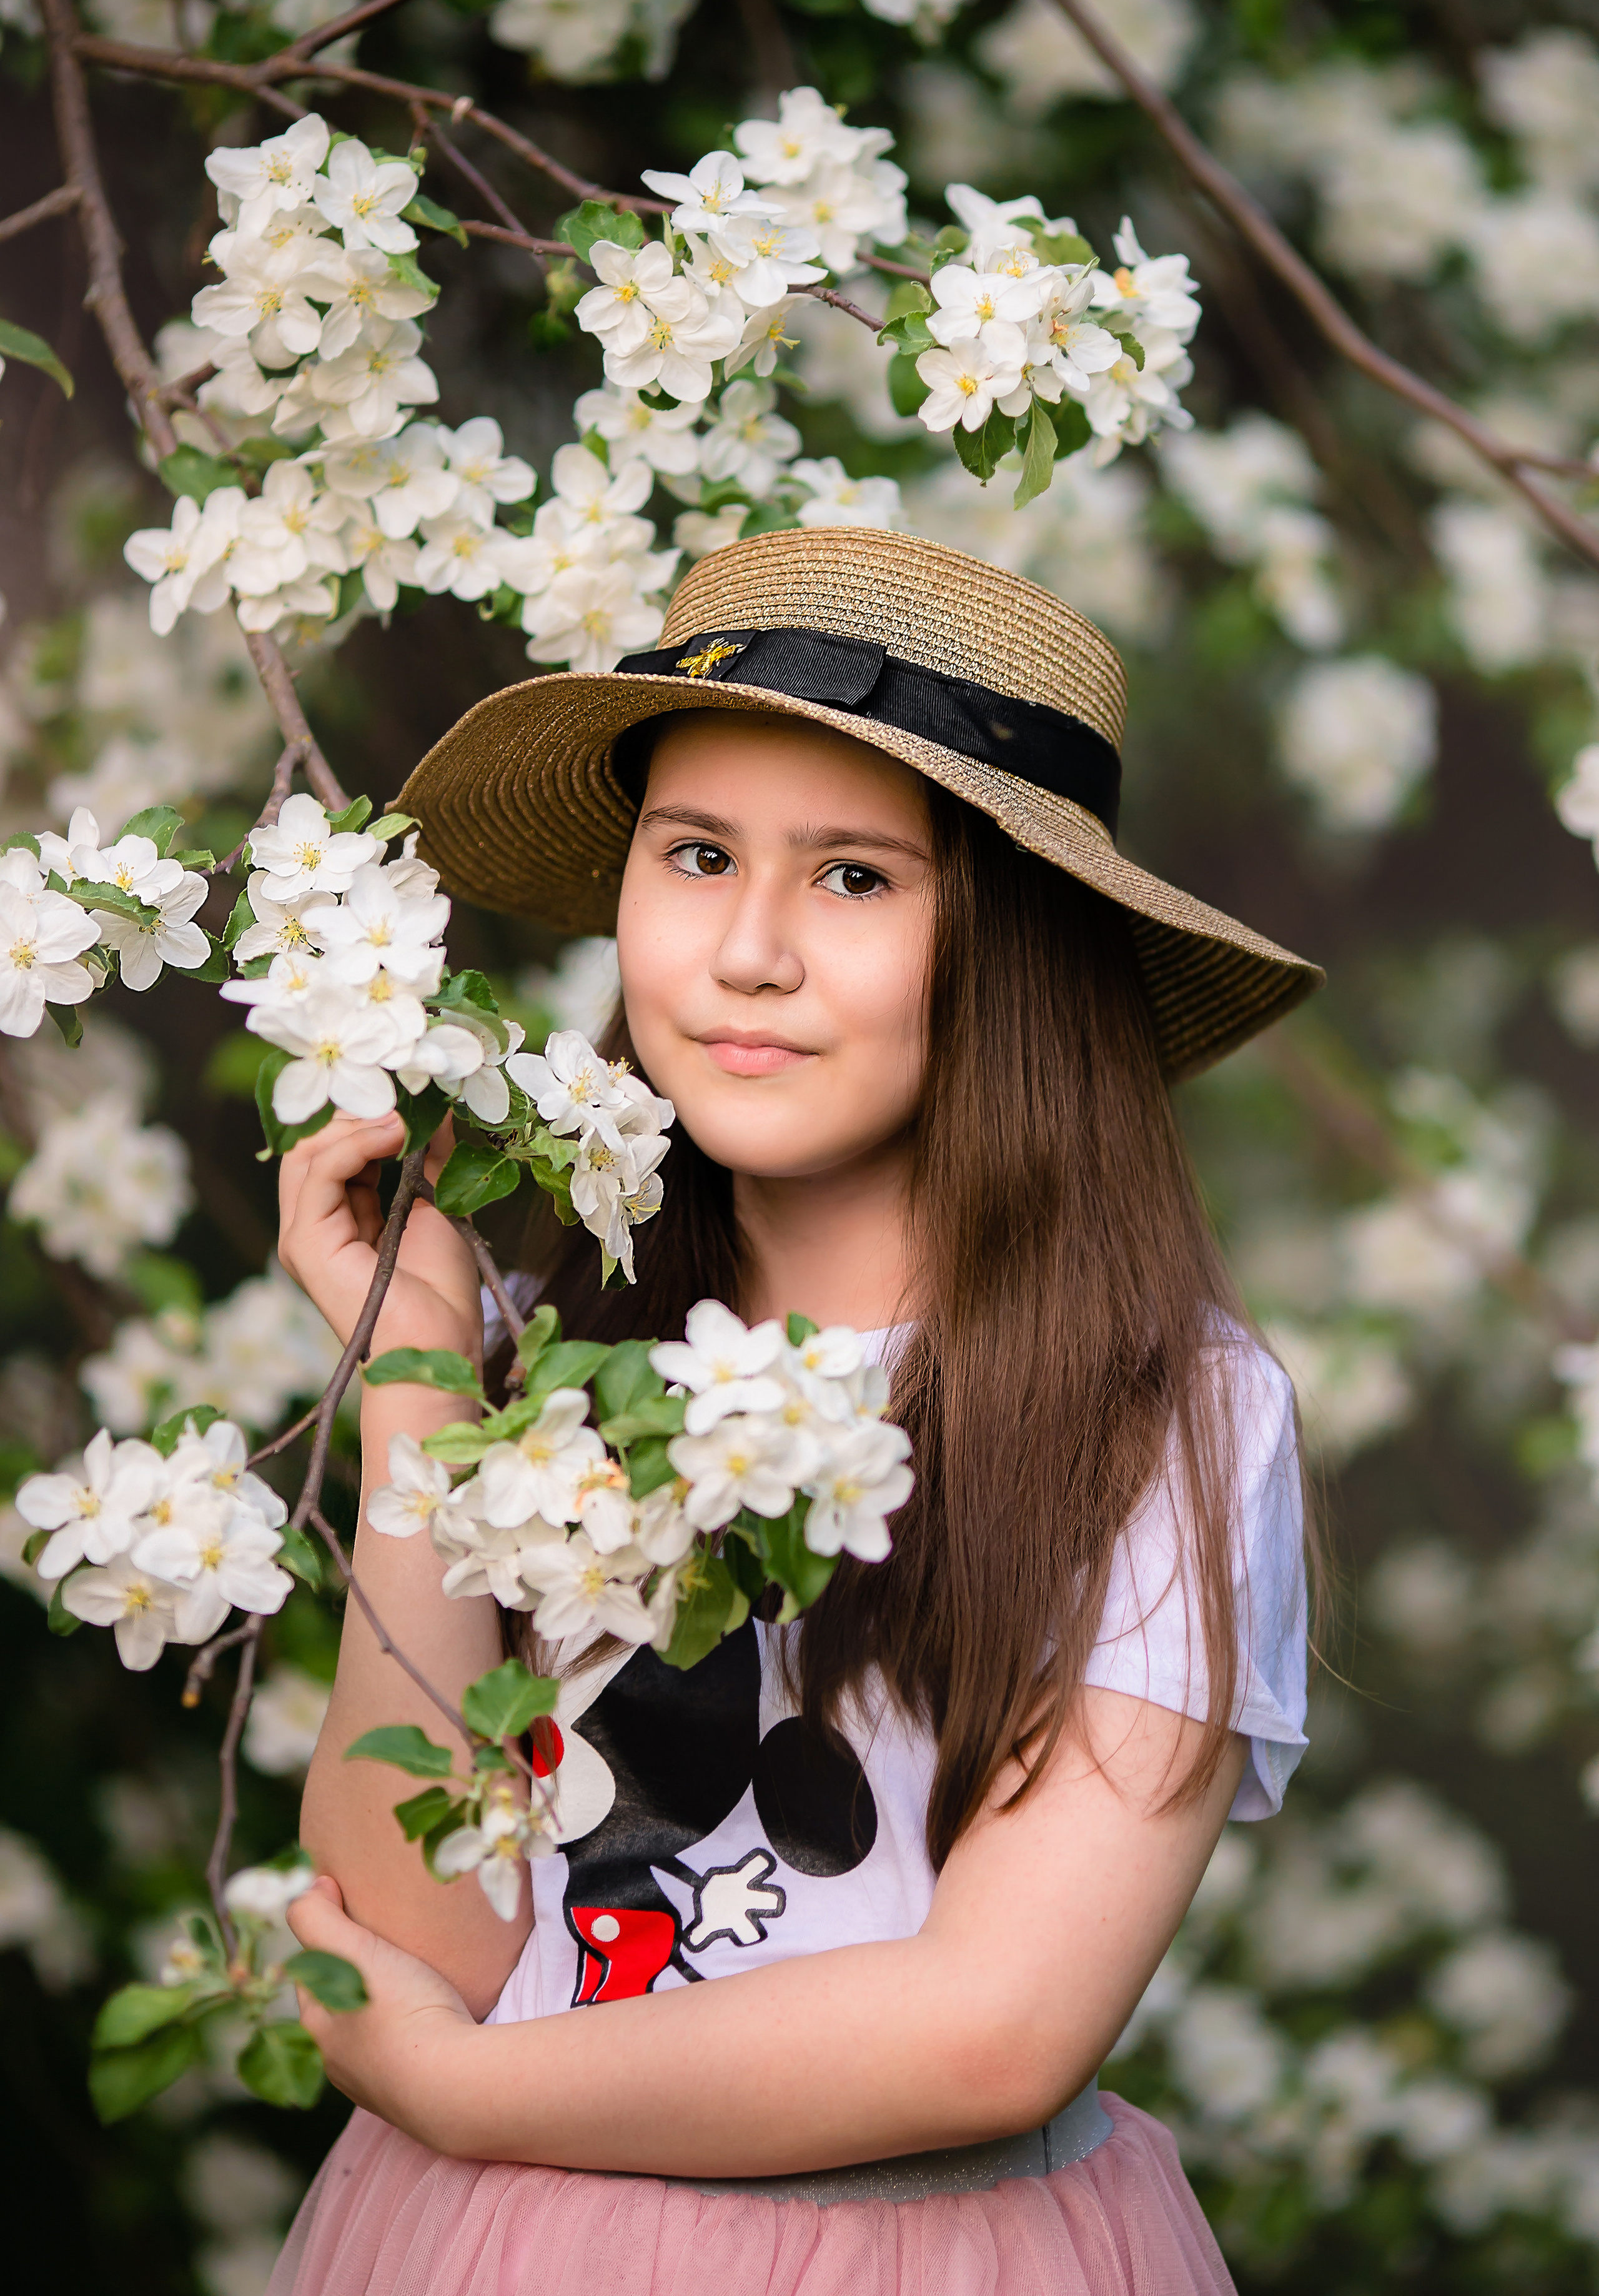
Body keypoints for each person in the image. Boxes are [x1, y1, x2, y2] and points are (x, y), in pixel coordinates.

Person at [268, 526, 1322, 2295]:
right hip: (484, 2244)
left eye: (854, 879)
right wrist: (422, 1404)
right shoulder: (558, 1349)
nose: (748, 952)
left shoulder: (1160, 1414)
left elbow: (995, 2027)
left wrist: (463, 2087)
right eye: (696, 856)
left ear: (1013, 944)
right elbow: (415, 1927)